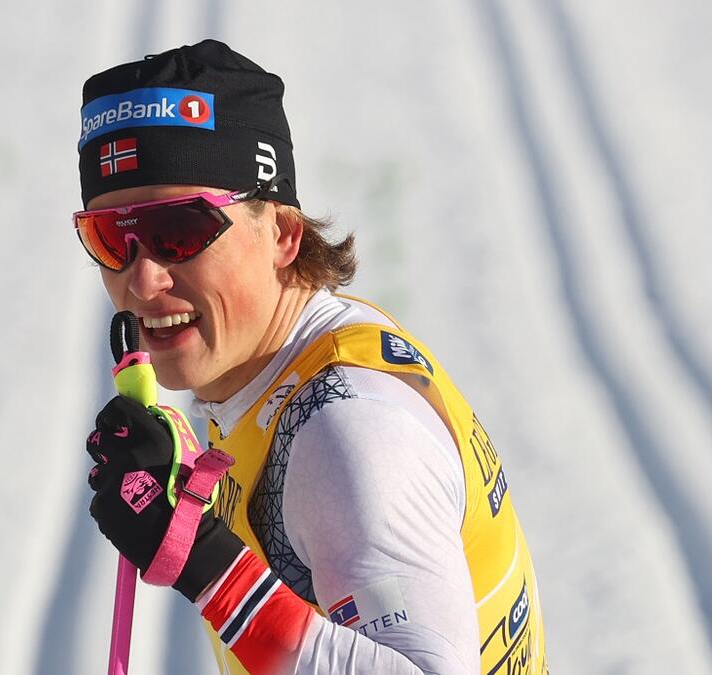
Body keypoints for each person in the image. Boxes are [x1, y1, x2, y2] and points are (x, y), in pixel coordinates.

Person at [77, 39, 548, 674]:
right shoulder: (278, 369)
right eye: (111, 238)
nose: (142, 280)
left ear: (283, 233)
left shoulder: (344, 430)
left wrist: (205, 564)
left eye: (178, 232)